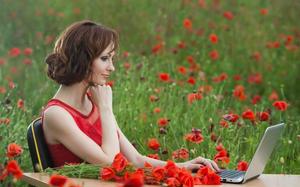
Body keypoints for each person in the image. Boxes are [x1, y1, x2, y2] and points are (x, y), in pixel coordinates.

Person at [42, 20, 220, 172]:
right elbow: (110, 163)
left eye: (112, 59)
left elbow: (134, 159)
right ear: (82, 59)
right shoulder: (57, 114)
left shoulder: (94, 102)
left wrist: (184, 166)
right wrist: (105, 109)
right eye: (105, 59)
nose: (112, 67)